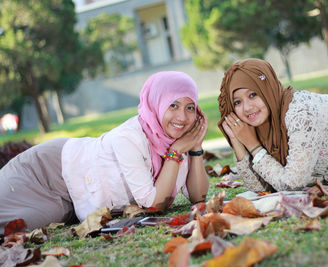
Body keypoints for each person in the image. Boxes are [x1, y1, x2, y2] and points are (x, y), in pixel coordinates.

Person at [0, 71, 209, 234]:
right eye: (173, 105)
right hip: (47, 171)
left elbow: (197, 196)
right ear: (156, 103)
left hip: (73, 199)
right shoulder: (129, 138)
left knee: (24, 225)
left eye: (190, 107)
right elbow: (154, 204)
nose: (182, 116)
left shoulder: (175, 140)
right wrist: (176, 152)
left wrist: (196, 146)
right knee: (7, 223)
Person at [217, 58, 328, 192]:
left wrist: (254, 147)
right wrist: (239, 142)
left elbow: (292, 183)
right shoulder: (263, 126)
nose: (247, 107)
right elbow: (263, 187)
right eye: (237, 102)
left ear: (267, 89)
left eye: (253, 95)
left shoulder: (299, 113)